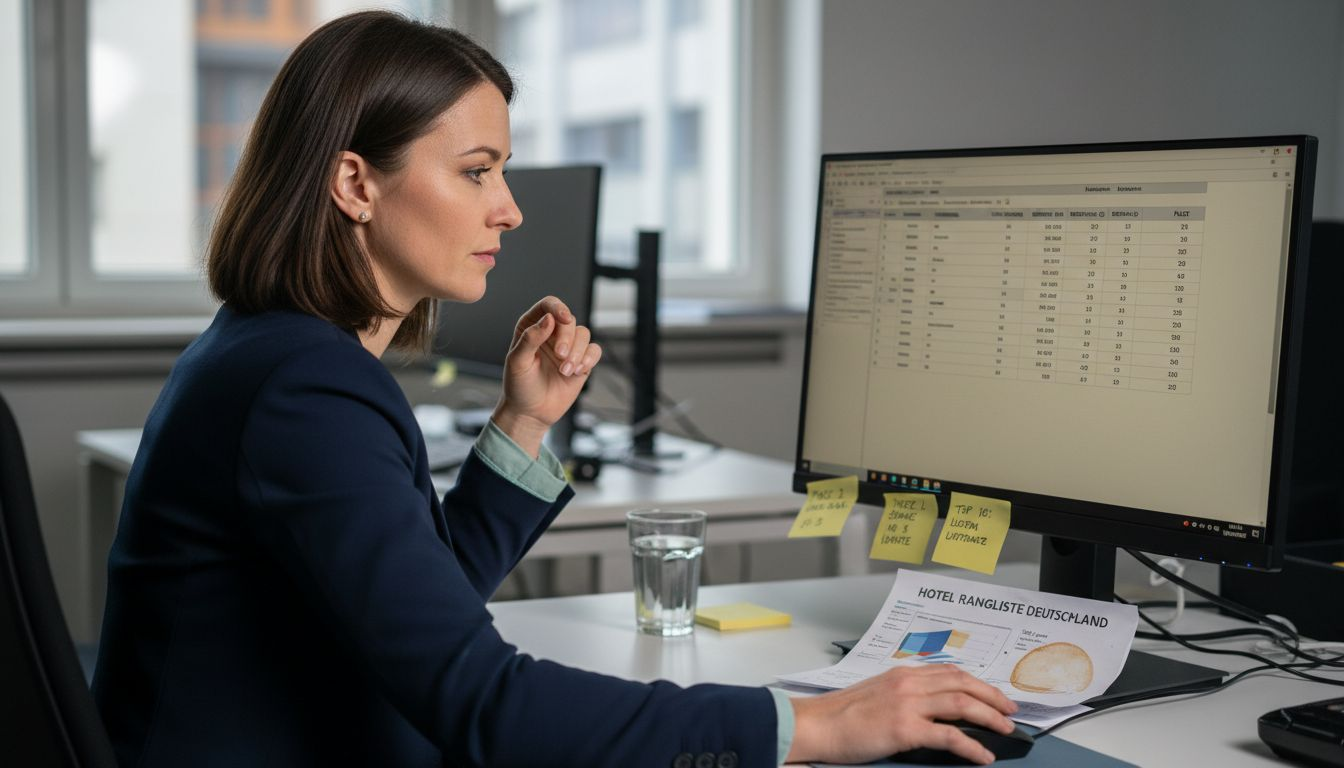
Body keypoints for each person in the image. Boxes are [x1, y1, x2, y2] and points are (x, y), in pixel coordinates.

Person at [91, 11, 1017, 767]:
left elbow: (421, 611)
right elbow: (479, 700)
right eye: (477, 172)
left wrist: (522, 422)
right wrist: (810, 725)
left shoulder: (269, 352)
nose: (510, 209)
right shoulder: (307, 390)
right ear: (355, 185)